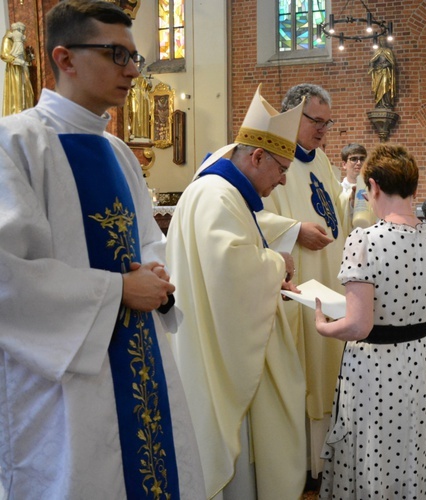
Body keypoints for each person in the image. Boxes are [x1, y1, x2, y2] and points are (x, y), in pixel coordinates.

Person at [0, 1, 204, 497]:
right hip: (64, 380)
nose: (133, 71)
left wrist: (158, 282)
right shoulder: (16, 144)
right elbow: (7, 275)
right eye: (117, 54)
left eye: (135, 57)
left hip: (138, 354)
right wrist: (115, 291)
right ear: (65, 59)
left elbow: (149, 241)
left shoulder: (117, 152)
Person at [166, 85, 306, 499]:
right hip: (214, 348)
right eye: (281, 168)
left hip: (214, 336)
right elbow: (231, 271)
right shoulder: (217, 194)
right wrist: (279, 263)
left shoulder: (223, 192)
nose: (282, 180)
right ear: (257, 155)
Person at [314, 144, 426, 499]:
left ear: (373, 186)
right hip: (420, 361)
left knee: (374, 452)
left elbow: (358, 326)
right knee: (416, 448)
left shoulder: (364, 239)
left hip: (375, 369)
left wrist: (322, 325)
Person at [255, 83, 350, 480]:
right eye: (316, 121)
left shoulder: (324, 161)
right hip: (301, 281)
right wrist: (294, 230)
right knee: (307, 367)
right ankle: (305, 467)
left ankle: (328, 460)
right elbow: (250, 215)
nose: (323, 129)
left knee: (330, 367)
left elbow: (336, 217)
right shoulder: (270, 160)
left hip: (330, 276)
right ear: (293, 114)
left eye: (328, 123)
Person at [1, 22, 35, 115]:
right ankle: (16, 115)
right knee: (17, 93)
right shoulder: (8, 38)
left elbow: (22, 55)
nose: (23, 33)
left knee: (28, 93)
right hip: (14, 70)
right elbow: (4, 54)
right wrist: (15, 60)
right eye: (23, 31)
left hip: (23, 69)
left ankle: (26, 114)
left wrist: (29, 57)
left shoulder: (19, 40)